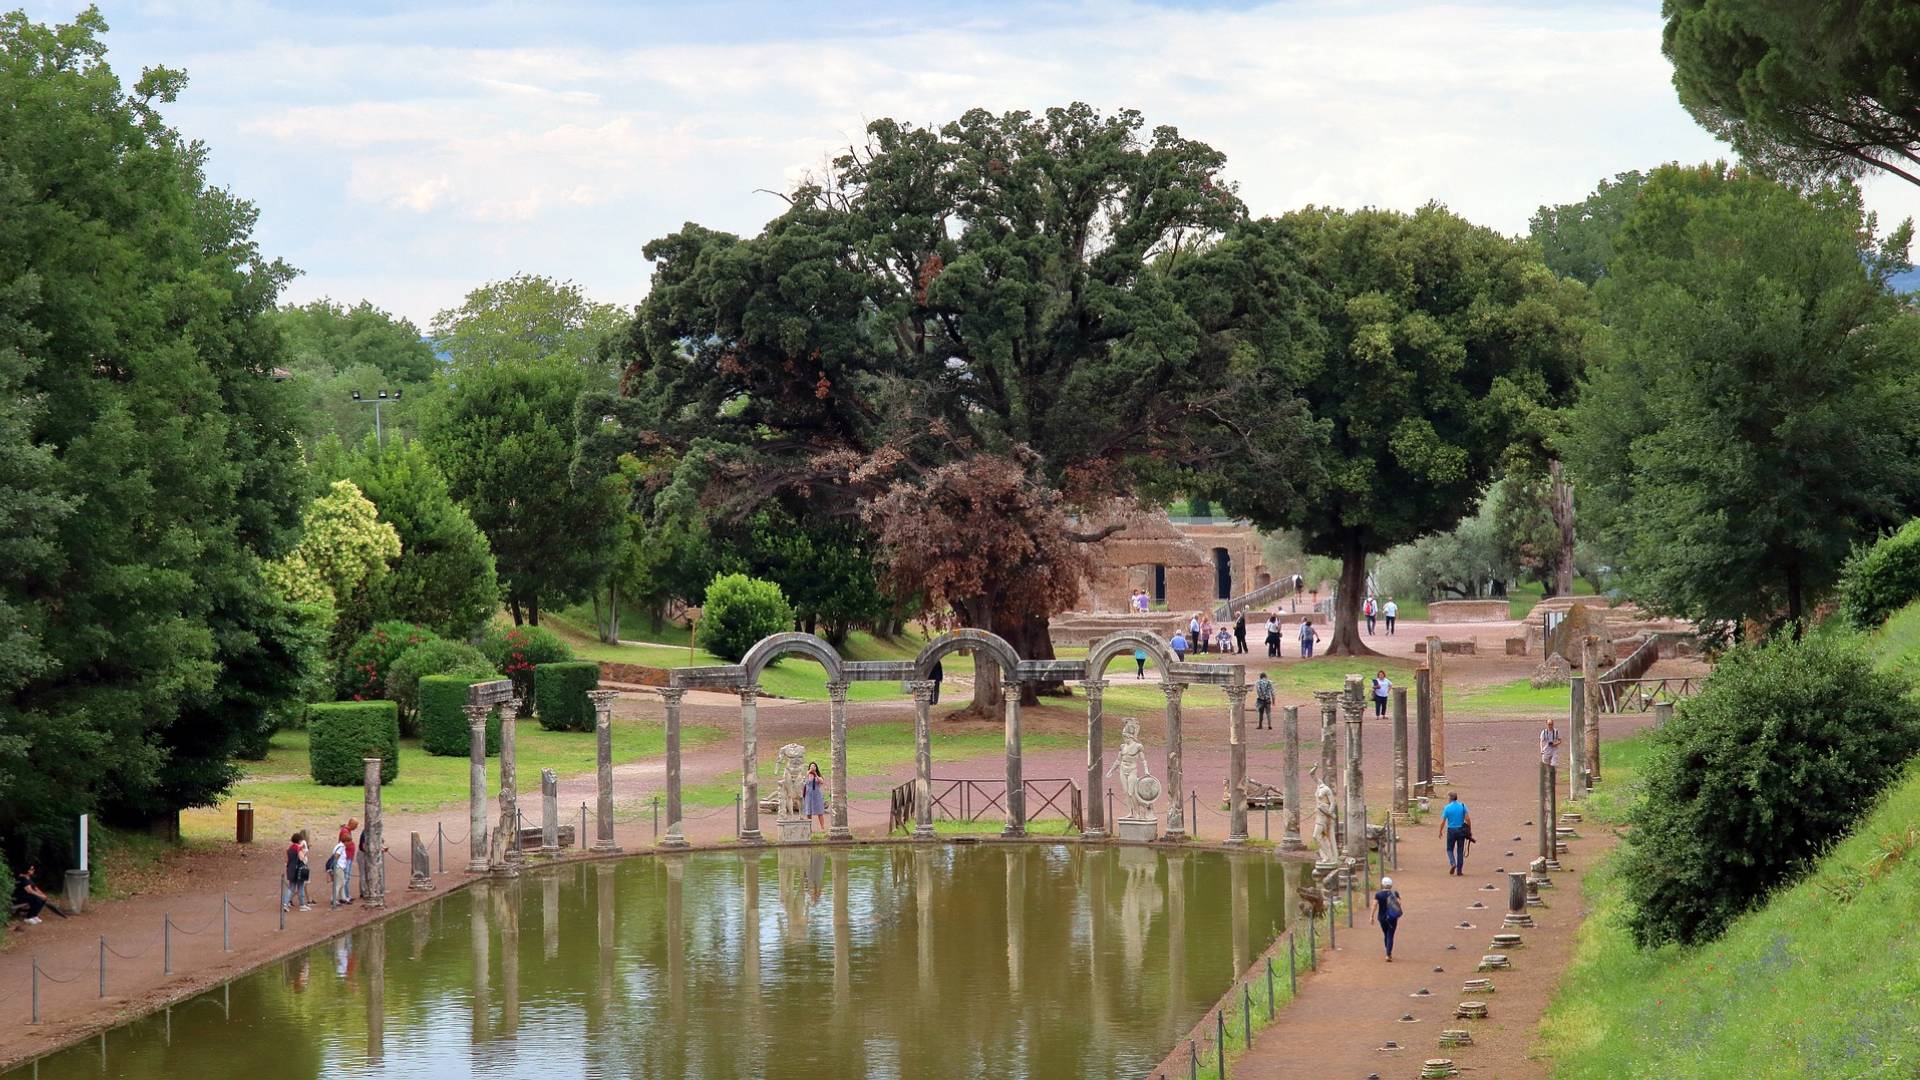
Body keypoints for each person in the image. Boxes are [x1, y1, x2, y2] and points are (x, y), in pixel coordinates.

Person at [1369, 875, 1403, 961]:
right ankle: (1388, 954)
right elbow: (1399, 904)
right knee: (1390, 934)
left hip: (1382, 917)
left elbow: (1374, 905)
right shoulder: (1395, 893)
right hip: (1392, 917)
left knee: (1385, 933)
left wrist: (1371, 916)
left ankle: (1387, 950)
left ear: (1382, 884)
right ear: (1391, 885)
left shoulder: (1378, 894)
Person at [1440, 792, 1472, 875]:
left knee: (1449, 849)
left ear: (1450, 798)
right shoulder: (1462, 806)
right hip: (1461, 830)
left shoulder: (1447, 808)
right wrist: (1469, 829)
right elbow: (1467, 819)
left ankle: (1453, 863)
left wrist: (1440, 831)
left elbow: (1443, 821)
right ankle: (1459, 871)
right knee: (1460, 851)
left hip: (1451, 830)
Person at [803, 761, 828, 833]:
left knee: (820, 811)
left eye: (814, 766)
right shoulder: (807, 775)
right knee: (808, 811)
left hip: (817, 795)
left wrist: (816, 774)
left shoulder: (818, 776)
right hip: (809, 795)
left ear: (816, 768)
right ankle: (809, 828)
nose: (812, 767)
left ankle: (822, 828)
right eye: (811, 766)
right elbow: (804, 781)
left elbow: (822, 782)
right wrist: (808, 773)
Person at [338, 819, 359, 904]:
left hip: (349, 856)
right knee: (345, 877)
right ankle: (344, 896)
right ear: (351, 824)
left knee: (347, 877)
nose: (356, 827)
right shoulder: (345, 832)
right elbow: (344, 843)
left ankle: (346, 894)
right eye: (356, 825)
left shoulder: (348, 831)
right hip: (346, 857)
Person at [283, 833, 304, 912]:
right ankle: (302, 904)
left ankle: (285, 903)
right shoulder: (298, 848)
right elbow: (301, 858)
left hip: (290, 868)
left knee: (291, 887)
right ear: (299, 840)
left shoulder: (289, 848)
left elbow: (286, 860)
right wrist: (304, 852)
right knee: (300, 886)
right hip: (297, 869)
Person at [328, 834, 350, 907]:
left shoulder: (340, 846)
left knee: (342, 882)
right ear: (346, 841)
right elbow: (336, 857)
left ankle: (343, 897)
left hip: (340, 867)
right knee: (339, 883)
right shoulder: (341, 847)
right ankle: (333, 899)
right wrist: (334, 867)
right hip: (338, 867)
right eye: (348, 842)